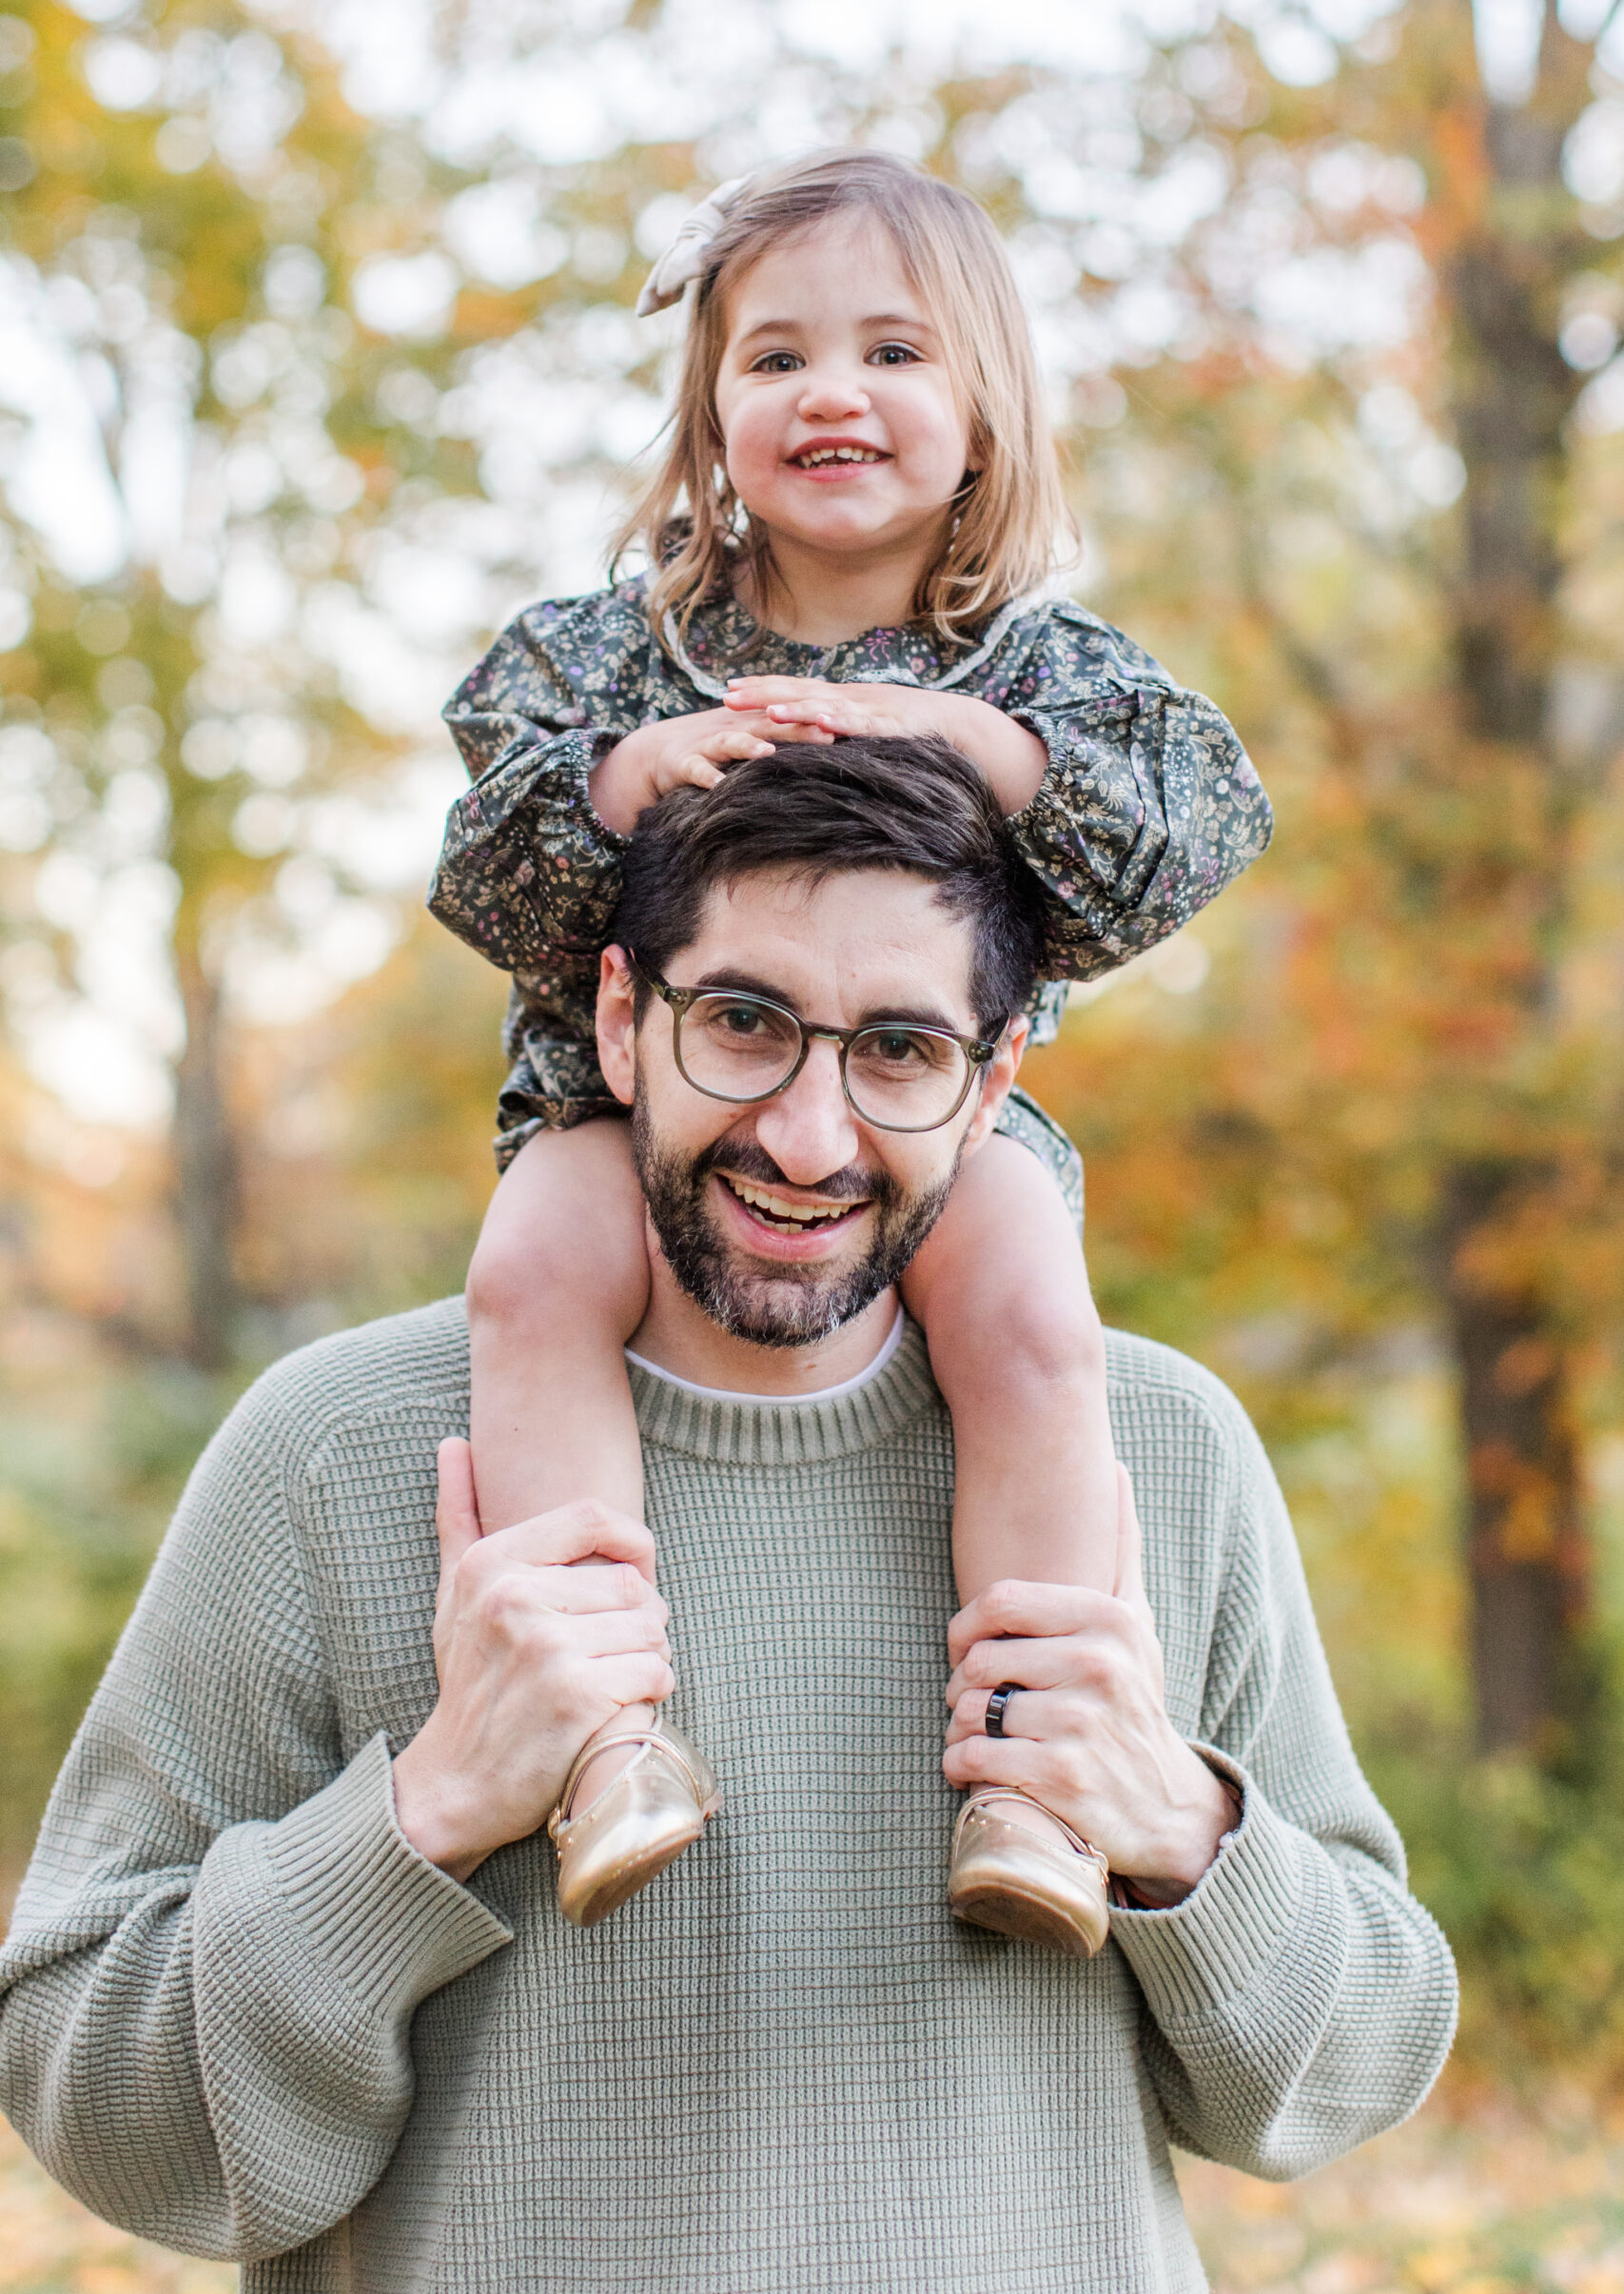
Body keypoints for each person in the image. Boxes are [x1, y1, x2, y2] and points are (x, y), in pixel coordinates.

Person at [0, 736, 1454, 2289]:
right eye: (744, 1024)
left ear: (994, 1081)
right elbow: (99, 2109)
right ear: (622, 1021)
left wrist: (1177, 1826)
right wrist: (423, 1813)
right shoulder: (333, 1453)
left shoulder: (1160, 1453)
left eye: (899, 1049)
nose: (810, 1137)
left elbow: (1348, 2079)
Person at [430, 148, 1274, 1950]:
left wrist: (979, 748)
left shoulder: (1047, 671)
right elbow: (478, 872)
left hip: (928, 1144)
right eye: (777, 358)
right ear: (711, 412)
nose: (834, 392)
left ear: (980, 415)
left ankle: (1041, 1773)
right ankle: (601, 1735)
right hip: (625, 1117)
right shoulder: (610, 653)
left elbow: (1195, 834)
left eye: (895, 352)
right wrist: (611, 785)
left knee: (1037, 1318)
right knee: (530, 1272)